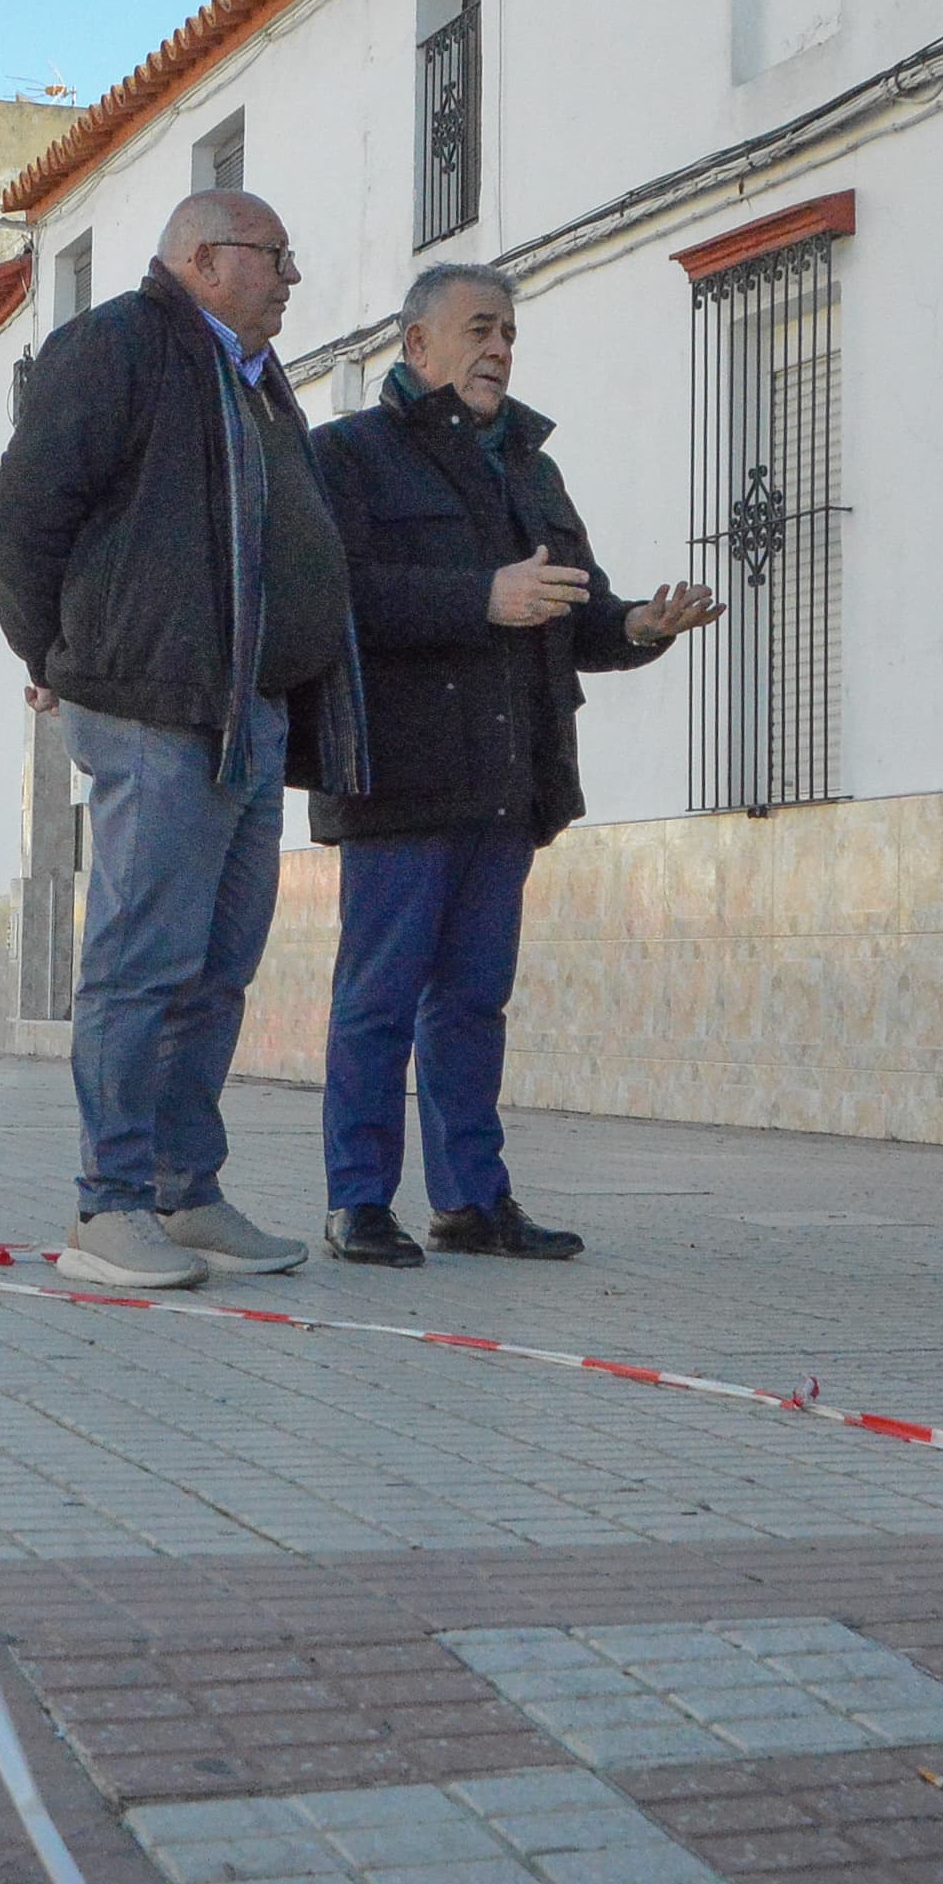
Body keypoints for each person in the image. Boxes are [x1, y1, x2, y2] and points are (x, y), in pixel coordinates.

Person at [0, 187, 368, 1290]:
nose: (292, 276)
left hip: (246, 713)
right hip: (154, 707)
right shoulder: (117, 347)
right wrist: (54, 653)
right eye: (274, 255)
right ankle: (107, 1208)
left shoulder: (252, 380)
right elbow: (20, 518)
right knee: (141, 964)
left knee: (217, 968)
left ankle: (183, 1191)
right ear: (202, 258)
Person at [306, 265, 718, 1266]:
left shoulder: (532, 467)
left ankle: (471, 1201)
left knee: (473, 1001)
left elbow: (575, 613)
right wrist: (477, 597)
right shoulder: (348, 455)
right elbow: (335, 600)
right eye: (480, 329)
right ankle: (359, 1201)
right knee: (379, 998)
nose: (499, 349)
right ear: (417, 344)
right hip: (399, 777)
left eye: (510, 335)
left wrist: (638, 624)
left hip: (508, 778)